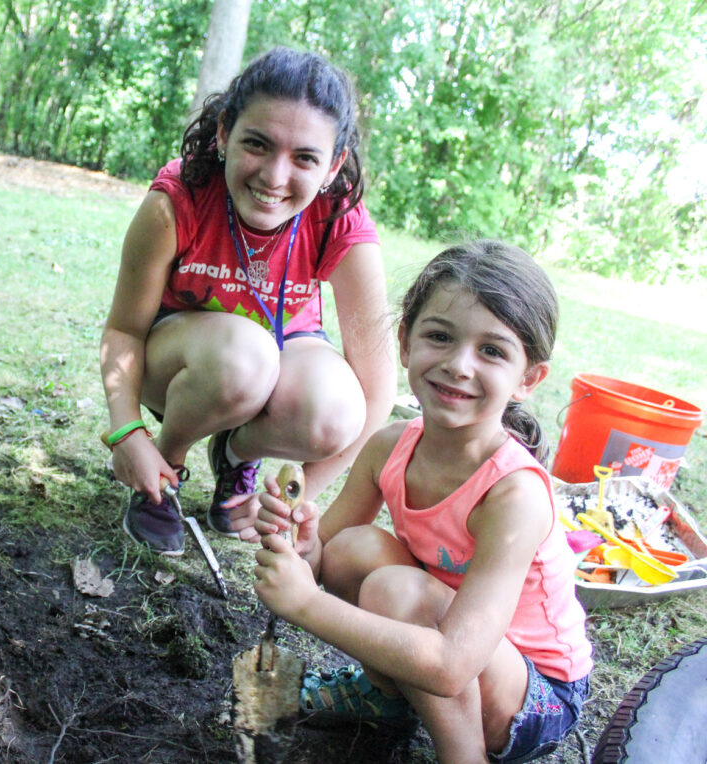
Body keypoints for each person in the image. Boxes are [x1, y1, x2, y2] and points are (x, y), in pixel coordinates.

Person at [253, 240, 593, 764]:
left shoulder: (514, 494)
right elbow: (325, 561)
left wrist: (304, 605)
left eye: (492, 351)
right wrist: (302, 545)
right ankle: (390, 702)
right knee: (353, 549)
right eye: (439, 336)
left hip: (532, 696)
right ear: (406, 343)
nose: (459, 365)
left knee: (397, 592)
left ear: (528, 378)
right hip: (448, 643)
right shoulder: (391, 445)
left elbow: (453, 664)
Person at [99, 46, 396, 555]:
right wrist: (129, 434)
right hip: (180, 366)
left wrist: (294, 495)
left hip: (283, 351)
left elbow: (377, 396)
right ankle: (159, 472)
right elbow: (124, 331)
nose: (274, 178)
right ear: (223, 133)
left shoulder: (339, 219)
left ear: (334, 164)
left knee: (336, 409)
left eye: (305, 157)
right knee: (245, 358)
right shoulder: (178, 199)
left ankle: (237, 458)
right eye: (257, 144)